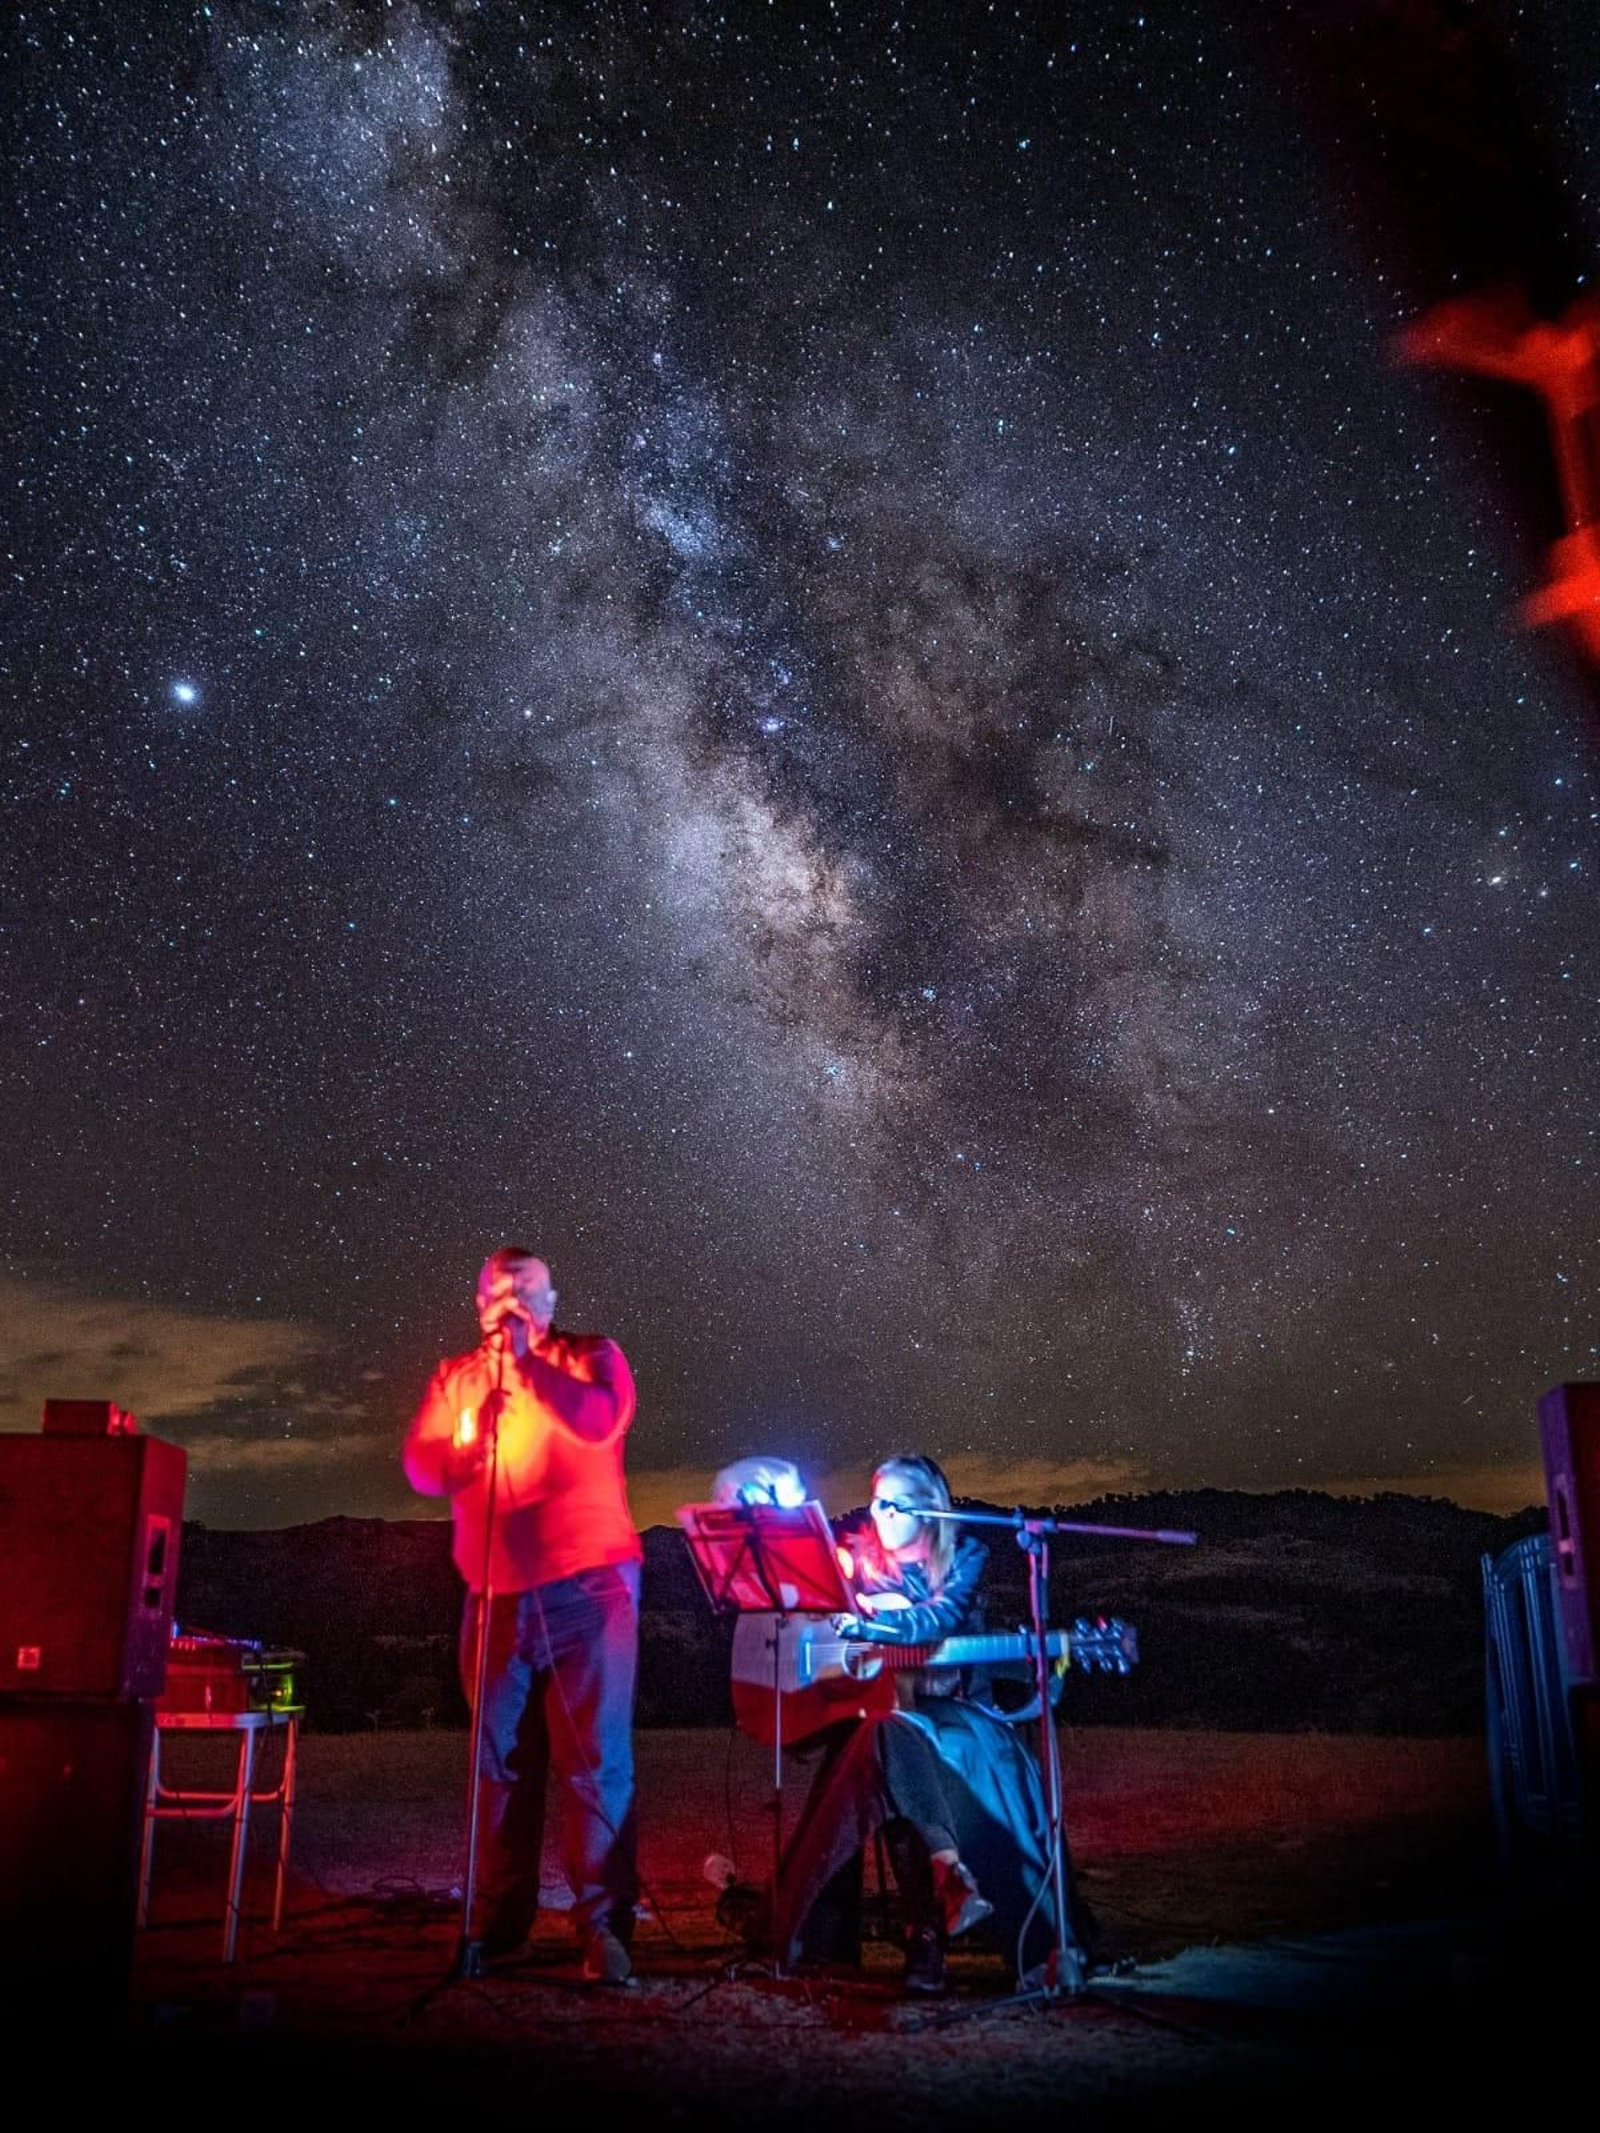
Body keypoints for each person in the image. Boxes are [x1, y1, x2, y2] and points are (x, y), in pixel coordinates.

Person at [756, 1454, 1092, 1996]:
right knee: (886, 1731)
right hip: (896, 1718)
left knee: (886, 1738)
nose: (880, 1512)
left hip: (963, 1718)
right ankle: (942, 1889)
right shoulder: (861, 1565)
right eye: (875, 1500)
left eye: (895, 1502)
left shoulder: (966, 1556)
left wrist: (871, 1625)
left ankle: (922, 1936)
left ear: (929, 1510)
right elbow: (818, 1623)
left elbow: (935, 1621)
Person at [403, 1246, 641, 1985]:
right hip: (494, 1598)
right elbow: (421, 1463)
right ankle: (495, 1930)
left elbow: (600, 1421)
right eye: (497, 1290)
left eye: (526, 1290)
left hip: (588, 1593)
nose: (510, 1300)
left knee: (593, 1766)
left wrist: (527, 1370)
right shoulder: (457, 1377)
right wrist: (465, 1453)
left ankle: (602, 1929)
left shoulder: (591, 1355)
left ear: (550, 1300)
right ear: (477, 1301)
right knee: (498, 1766)